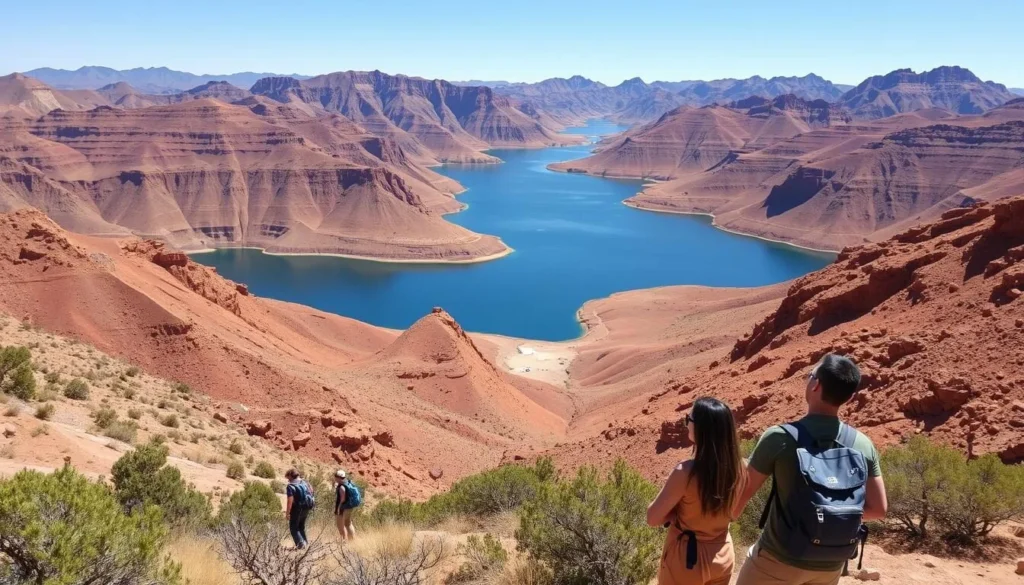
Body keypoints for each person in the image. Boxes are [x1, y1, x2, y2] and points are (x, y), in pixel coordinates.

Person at [732, 354, 888, 585]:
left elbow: (740, 497)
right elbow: (879, 509)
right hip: (829, 565)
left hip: (777, 560)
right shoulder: (863, 444)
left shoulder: (779, 437)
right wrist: (829, 516)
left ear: (816, 385)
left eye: (810, 375)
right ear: (850, 396)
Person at [647, 397, 745, 585]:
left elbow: (652, 518)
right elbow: (734, 512)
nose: (686, 425)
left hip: (688, 561)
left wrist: (673, 515)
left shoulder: (685, 473)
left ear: (701, 429)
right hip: (723, 554)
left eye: (688, 420)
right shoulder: (741, 469)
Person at [284, 468, 313, 549]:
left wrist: (287, 513)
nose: (288, 481)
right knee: (301, 527)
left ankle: (301, 546)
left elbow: (290, 500)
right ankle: (306, 544)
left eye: (288, 478)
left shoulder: (291, 486)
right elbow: (311, 492)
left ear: (290, 476)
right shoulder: (305, 482)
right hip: (307, 507)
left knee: (293, 528)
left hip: (297, 509)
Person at [334, 469, 361, 541]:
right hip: (350, 506)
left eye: (335, 476)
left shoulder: (342, 487)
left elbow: (342, 499)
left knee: (340, 525)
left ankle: (344, 541)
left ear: (338, 477)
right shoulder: (348, 482)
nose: (335, 478)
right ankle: (352, 540)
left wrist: (338, 508)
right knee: (348, 523)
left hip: (343, 508)